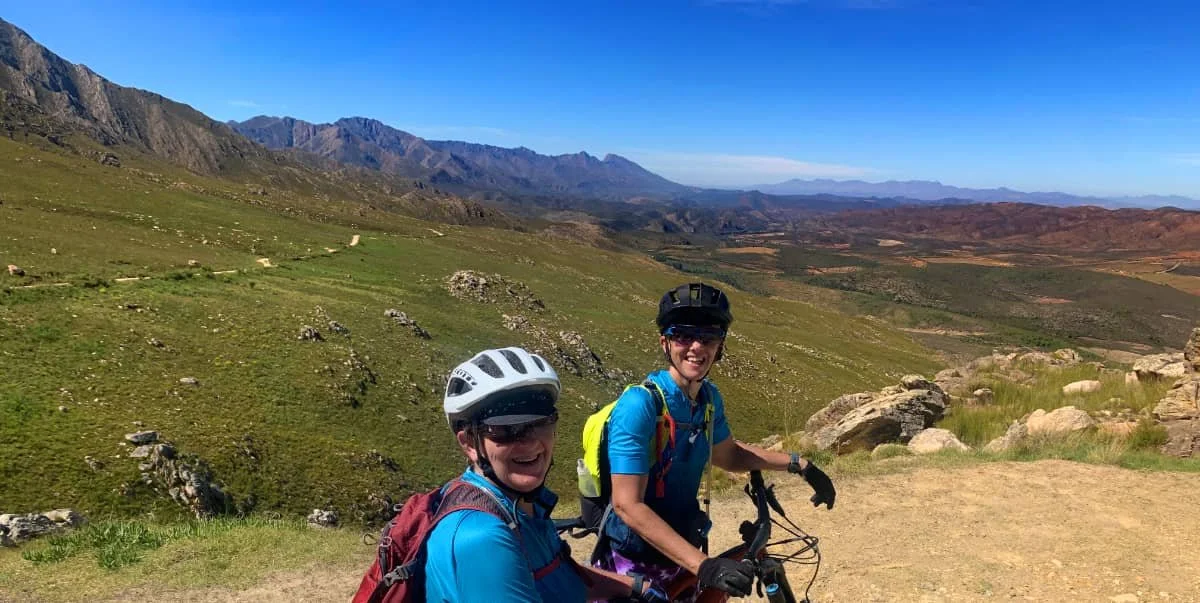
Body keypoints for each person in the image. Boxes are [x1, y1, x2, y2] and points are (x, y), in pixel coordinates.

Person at [592, 283, 837, 600]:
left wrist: (800, 464)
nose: (696, 346)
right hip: (635, 563)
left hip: (684, 552)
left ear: (720, 346)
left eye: (708, 337)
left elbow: (729, 455)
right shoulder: (641, 405)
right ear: (665, 342)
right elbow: (628, 505)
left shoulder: (708, 400)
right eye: (682, 335)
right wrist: (705, 566)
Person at [427, 346, 667, 603]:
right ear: (469, 443)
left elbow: (557, 575)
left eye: (541, 422)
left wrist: (635, 586)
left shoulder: (520, 506)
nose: (530, 443)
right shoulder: (481, 539)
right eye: (506, 429)